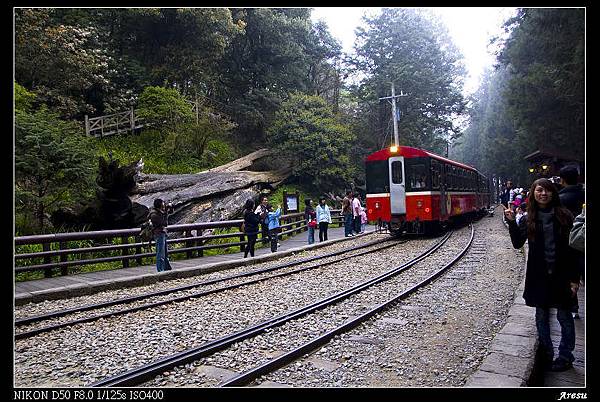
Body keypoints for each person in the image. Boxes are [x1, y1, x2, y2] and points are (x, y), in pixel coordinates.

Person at [505, 178, 579, 372]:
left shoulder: (565, 216)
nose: (543, 194)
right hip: (539, 276)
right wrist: (512, 222)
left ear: (553, 193)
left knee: (565, 316)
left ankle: (565, 355)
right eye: (539, 190)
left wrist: (574, 279)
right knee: (541, 315)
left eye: (547, 190)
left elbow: (574, 250)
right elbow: (517, 243)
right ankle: (547, 352)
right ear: (533, 193)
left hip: (562, 274)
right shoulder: (529, 217)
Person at [558, 165, 585, 318]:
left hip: (569, 243)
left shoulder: (560, 200)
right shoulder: (584, 195)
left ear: (562, 180)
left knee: (570, 276)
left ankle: (573, 305)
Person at [149, 198, 173, 272]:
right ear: (159, 205)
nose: (164, 205)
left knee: (165, 252)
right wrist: (165, 213)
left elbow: (170, 212)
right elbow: (164, 223)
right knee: (160, 253)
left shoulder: (158, 212)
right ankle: (160, 270)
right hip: (159, 234)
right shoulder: (154, 214)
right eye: (162, 203)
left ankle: (166, 268)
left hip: (162, 234)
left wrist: (169, 208)